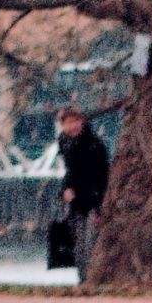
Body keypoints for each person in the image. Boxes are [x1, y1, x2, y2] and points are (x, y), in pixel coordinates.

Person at [57, 105, 111, 276]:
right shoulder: (65, 143)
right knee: (78, 243)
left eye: (75, 121)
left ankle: (88, 276)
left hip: (92, 198)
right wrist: (65, 189)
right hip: (75, 199)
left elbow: (102, 176)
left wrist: (99, 207)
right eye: (68, 122)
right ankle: (82, 277)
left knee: (89, 243)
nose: (72, 126)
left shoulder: (94, 145)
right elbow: (70, 171)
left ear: (82, 121)